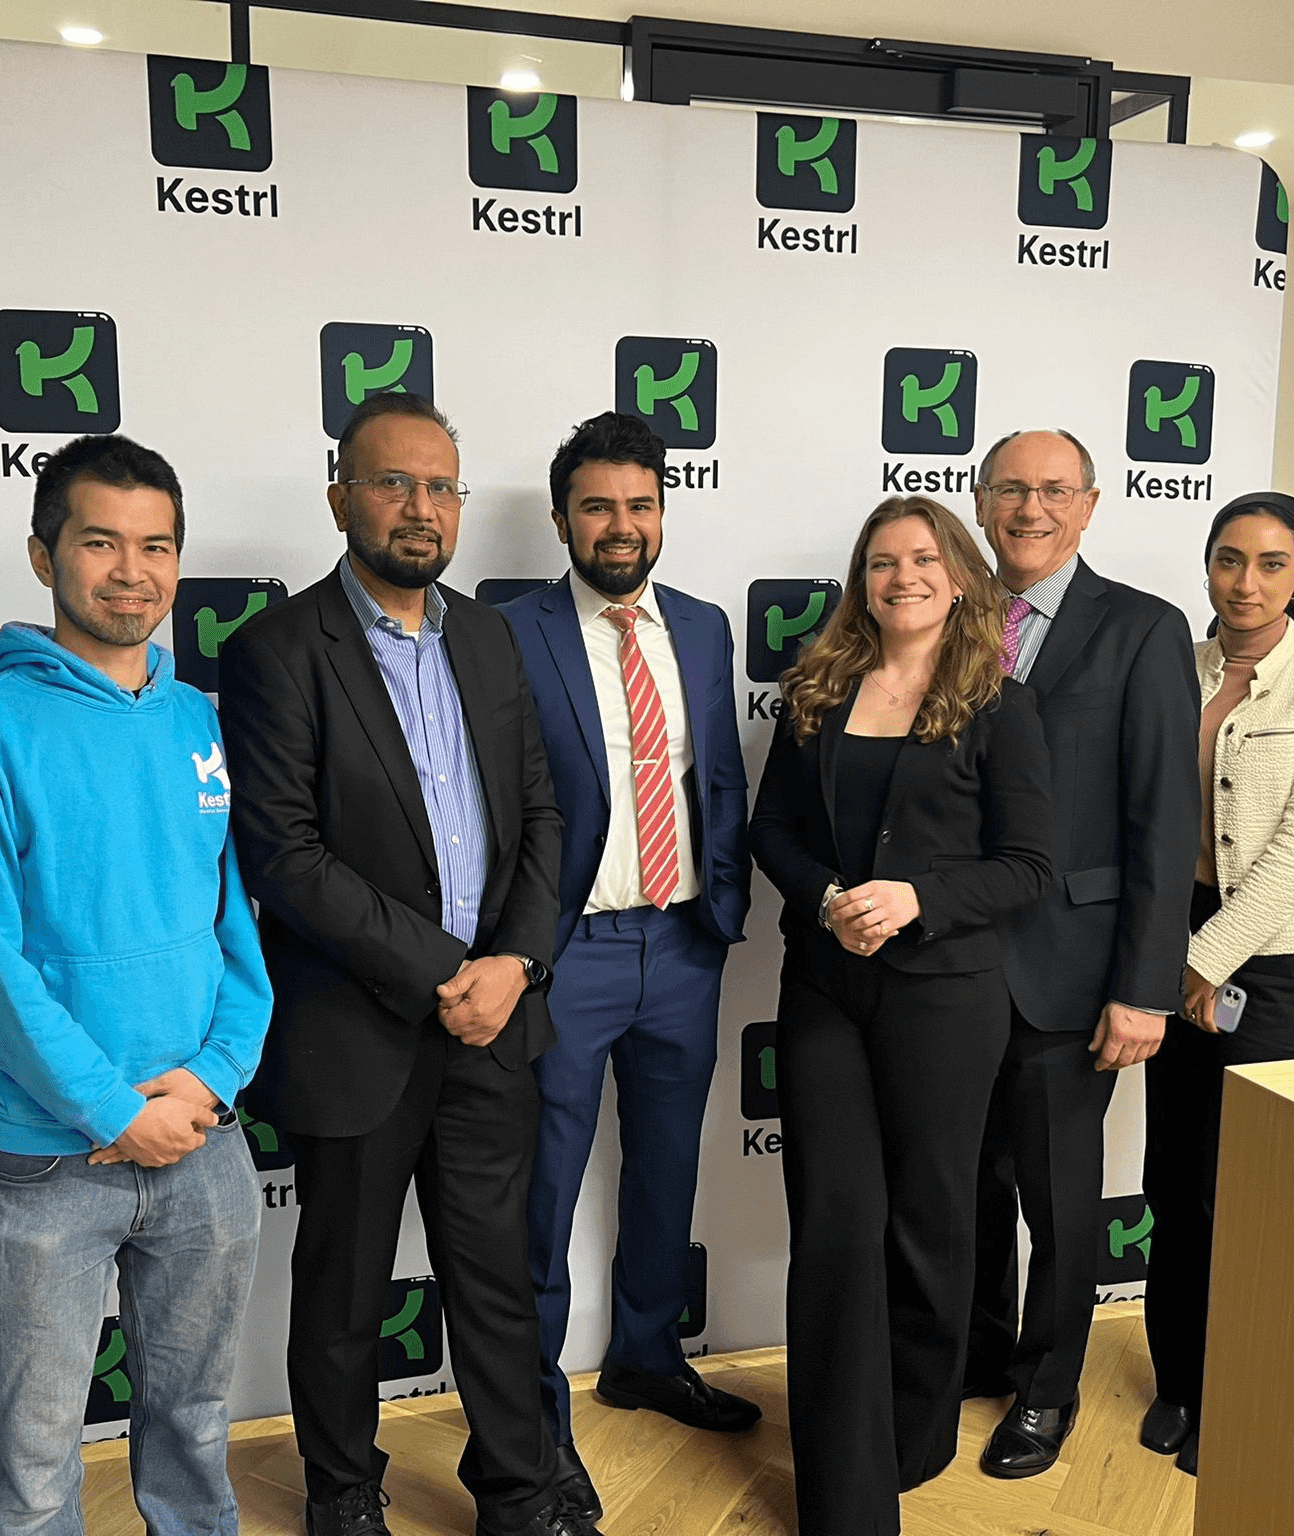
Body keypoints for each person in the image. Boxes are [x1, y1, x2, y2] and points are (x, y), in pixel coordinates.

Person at [218, 394, 595, 1536]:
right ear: (342, 496)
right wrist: (448, 971)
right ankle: (342, 1497)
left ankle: (518, 1491)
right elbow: (285, 854)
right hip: (360, 1029)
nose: (420, 508)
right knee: (340, 1290)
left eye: (441, 487)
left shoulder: (488, 634)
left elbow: (540, 812)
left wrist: (517, 961)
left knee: (497, 1281)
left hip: (497, 1020)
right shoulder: (278, 651)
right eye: (393, 483)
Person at [0, 433, 274, 1535]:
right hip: (46, 1164)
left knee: (196, 1429)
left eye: (157, 545)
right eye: (101, 542)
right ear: (43, 556)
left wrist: (207, 1084)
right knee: (31, 1467)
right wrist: (118, 1112)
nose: (134, 571)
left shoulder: (195, 720)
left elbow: (234, 933)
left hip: (201, 1139)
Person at [750, 495, 1053, 1536]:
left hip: (946, 997)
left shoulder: (1001, 708)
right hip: (827, 990)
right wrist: (826, 894)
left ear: (961, 577)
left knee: (928, 1225)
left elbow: (1029, 867)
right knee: (835, 1225)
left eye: (924, 559)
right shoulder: (819, 689)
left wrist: (920, 898)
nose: (903, 577)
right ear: (861, 582)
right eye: (882, 563)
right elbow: (771, 829)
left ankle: (915, 1437)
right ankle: (844, 1487)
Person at [499, 412, 756, 1521]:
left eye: (641, 504)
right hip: (570, 954)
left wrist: (726, 904)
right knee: (543, 1192)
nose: (622, 525)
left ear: (664, 512)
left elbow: (722, 776)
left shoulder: (701, 627)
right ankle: (535, 1423)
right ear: (563, 518)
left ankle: (647, 1356)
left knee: (665, 1173)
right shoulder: (509, 632)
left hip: (684, 944)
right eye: (599, 506)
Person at [962, 428, 1201, 1479]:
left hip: (1072, 973)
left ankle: (1044, 1393)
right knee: (955, 1183)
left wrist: (1144, 988)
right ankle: (970, 1358)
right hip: (951, 966)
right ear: (978, 502)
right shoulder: (947, 614)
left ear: (1091, 507)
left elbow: (1162, 820)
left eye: (1054, 490)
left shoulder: (1143, 630)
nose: (1030, 508)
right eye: (1011, 488)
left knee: (1060, 1201)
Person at [1139, 493, 1294, 1475]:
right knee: (1177, 1176)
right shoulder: (1178, 666)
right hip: (1182, 937)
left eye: (1272, 565)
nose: (1246, 583)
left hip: (1285, 955)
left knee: (1254, 1187)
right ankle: (1182, 1381)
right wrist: (1173, 953)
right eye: (1229, 560)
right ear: (1206, 566)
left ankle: (1249, 1389)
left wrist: (1206, 962)